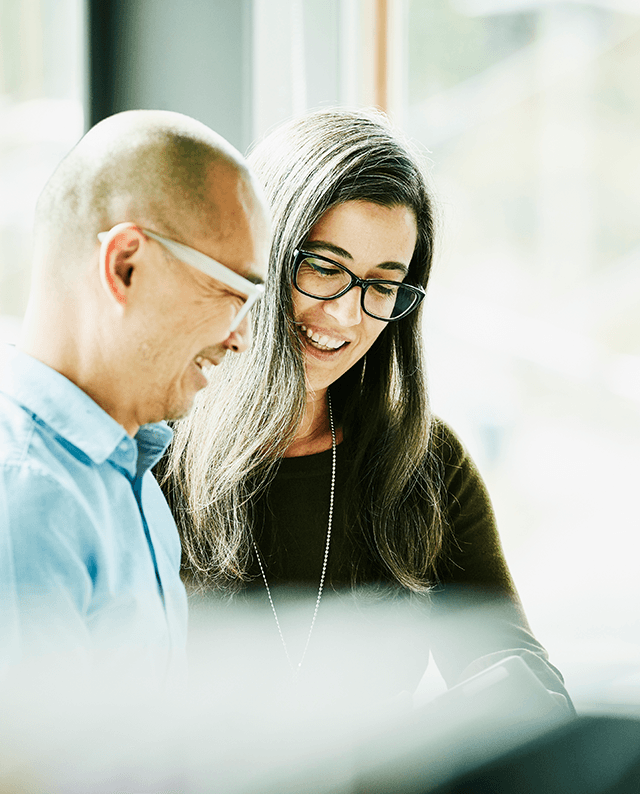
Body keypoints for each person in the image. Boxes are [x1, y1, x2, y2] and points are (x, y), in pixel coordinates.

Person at [162, 107, 572, 707]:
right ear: (258, 253)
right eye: (324, 267)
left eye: (382, 285)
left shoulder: (423, 462)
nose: (346, 315)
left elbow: (529, 685)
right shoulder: (150, 453)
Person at [0, 109, 269, 697]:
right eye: (231, 293)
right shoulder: (17, 503)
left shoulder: (119, 472)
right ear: (125, 266)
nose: (241, 337)